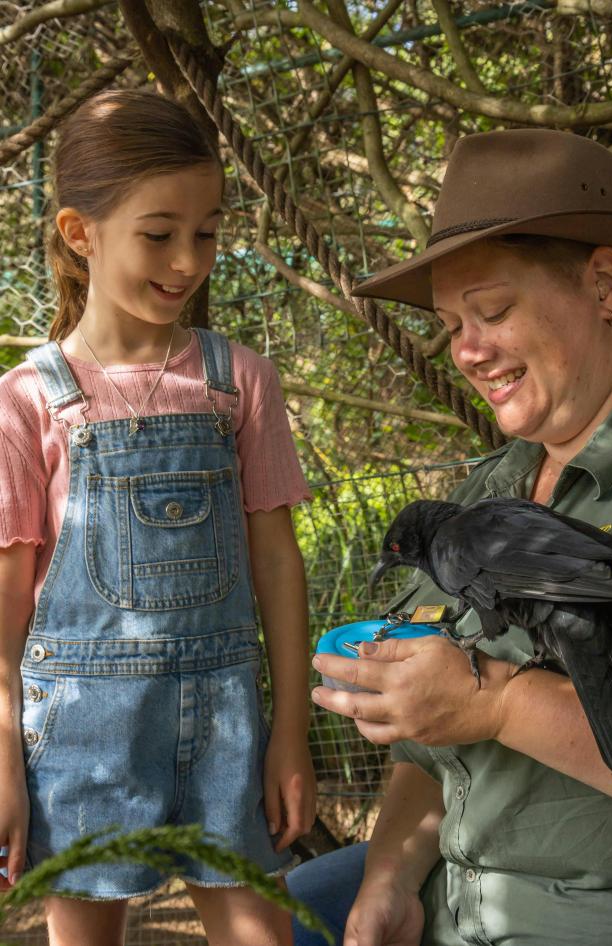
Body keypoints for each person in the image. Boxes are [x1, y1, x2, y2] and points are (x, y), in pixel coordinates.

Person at [291, 130, 612, 945]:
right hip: (459, 902)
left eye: (493, 311)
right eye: (449, 325)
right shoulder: (489, 489)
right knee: (275, 911)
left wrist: (502, 703)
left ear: (606, 286)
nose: (467, 351)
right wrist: (388, 875)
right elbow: (428, 748)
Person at [0, 89, 316, 946]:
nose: (188, 259)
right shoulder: (30, 402)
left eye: (207, 232)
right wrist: (3, 762)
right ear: (79, 233)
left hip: (228, 727)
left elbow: (277, 562)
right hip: (80, 736)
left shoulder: (238, 381)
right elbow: (7, 617)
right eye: (159, 232)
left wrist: (291, 729)